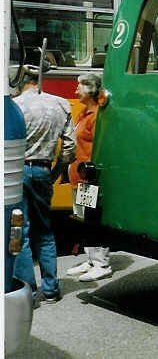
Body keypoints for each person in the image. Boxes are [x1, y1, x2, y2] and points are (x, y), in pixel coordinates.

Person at [13, 65, 75, 306]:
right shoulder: (60, 104)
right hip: (42, 171)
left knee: (21, 232)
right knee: (45, 231)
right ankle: (50, 290)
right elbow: (69, 148)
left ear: (21, 82)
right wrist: (55, 172)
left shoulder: (14, 106)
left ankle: (27, 291)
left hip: (17, 171)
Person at [65, 73, 113, 282]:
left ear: (91, 90)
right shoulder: (84, 112)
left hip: (88, 179)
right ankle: (91, 259)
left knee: (91, 220)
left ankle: (101, 264)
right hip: (78, 178)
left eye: (80, 87)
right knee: (83, 219)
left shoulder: (96, 117)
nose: (76, 91)